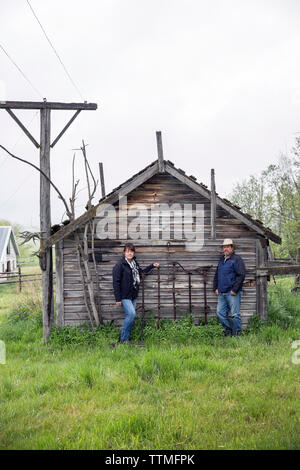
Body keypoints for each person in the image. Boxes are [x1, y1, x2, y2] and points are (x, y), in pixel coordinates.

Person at [113, 243, 159, 343]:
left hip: (133, 295)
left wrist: (152, 266)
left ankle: (126, 339)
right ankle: (123, 339)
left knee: (130, 316)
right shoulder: (120, 265)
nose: (130, 253)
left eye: (131, 251)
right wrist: (117, 298)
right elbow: (116, 282)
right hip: (124, 296)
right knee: (132, 314)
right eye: (128, 251)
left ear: (133, 253)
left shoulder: (134, 263)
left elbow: (141, 273)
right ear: (124, 252)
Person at [213, 238, 245, 336]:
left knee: (235, 315)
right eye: (224, 247)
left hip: (232, 293)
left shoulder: (237, 259)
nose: (225, 249)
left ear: (232, 248)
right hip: (221, 293)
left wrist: (234, 290)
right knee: (220, 313)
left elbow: (241, 275)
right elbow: (217, 274)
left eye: (227, 247)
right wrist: (215, 288)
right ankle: (228, 331)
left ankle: (237, 334)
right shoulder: (221, 260)